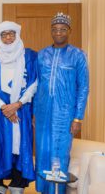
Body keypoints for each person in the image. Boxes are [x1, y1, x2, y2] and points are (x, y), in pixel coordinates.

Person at [35, 13, 89, 194]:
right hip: (43, 113)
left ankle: (57, 191)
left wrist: (78, 118)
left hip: (65, 114)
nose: (59, 32)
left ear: (69, 31)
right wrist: (35, 112)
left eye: (63, 29)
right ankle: (44, 190)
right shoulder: (42, 55)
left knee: (59, 151)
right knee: (43, 151)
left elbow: (83, 88)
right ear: (51, 31)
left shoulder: (78, 55)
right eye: (55, 29)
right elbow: (36, 85)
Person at [0, 21, 37, 194]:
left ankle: (18, 183)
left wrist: (17, 104)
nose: (8, 37)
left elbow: (34, 83)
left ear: (17, 35)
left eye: (11, 33)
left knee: (20, 144)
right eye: (4, 34)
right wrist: (4, 106)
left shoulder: (29, 56)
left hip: (21, 108)